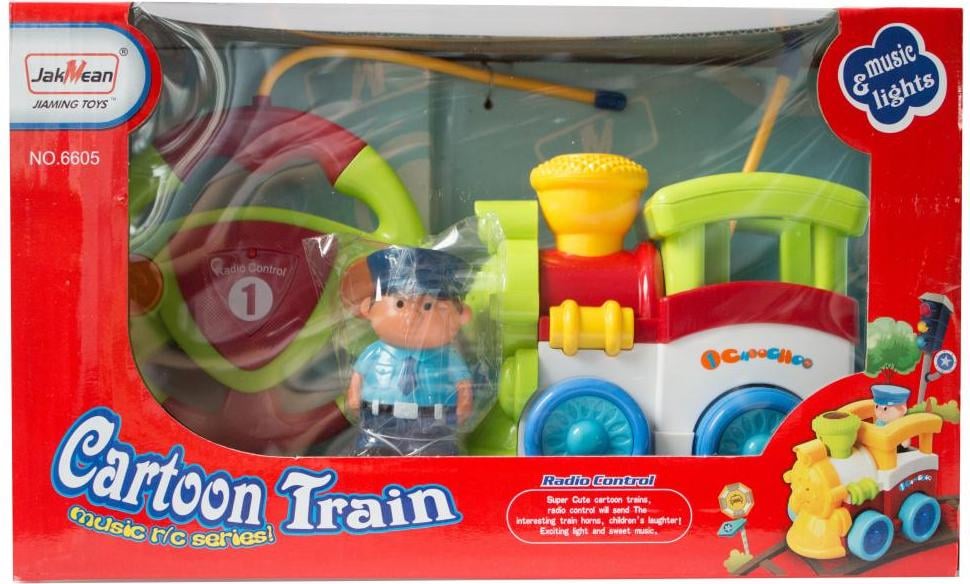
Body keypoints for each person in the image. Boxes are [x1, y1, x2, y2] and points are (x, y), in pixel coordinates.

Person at [345, 247, 474, 456]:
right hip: (379, 421)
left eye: (428, 306)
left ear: (462, 316)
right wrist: (353, 396)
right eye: (400, 304)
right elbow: (358, 374)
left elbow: (463, 384)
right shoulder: (375, 352)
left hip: (433, 425)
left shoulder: (448, 357)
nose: (412, 317)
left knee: (435, 460)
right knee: (374, 457)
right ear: (368, 308)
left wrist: (464, 404)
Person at [872, 384, 911, 450]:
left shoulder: (902, 424)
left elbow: (905, 442)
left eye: (885, 409)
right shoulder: (879, 422)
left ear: (903, 409)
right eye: (876, 406)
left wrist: (905, 440)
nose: (879, 412)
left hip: (898, 449)